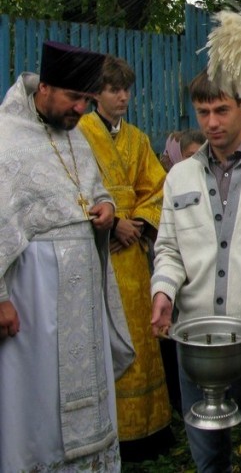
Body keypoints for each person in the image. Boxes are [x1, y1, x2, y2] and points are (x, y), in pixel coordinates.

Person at [0, 41, 134, 472]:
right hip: (32, 297)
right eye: (74, 99)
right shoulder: (5, 139)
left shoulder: (74, 135)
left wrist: (108, 209)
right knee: (36, 393)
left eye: (86, 100)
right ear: (46, 88)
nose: (81, 109)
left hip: (82, 297)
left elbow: (93, 190)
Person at [150, 69, 241, 473]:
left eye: (221, 110)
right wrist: (164, 292)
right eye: (202, 111)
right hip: (198, 342)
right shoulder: (180, 176)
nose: (211, 122)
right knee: (208, 460)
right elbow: (169, 248)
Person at [78, 55, 174, 461]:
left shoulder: (136, 138)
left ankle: (147, 430)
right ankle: (106, 429)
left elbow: (157, 186)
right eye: (113, 89)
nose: (122, 96)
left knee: (140, 333)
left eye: (126, 89)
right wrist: (112, 220)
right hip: (95, 252)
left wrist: (135, 221)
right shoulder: (78, 134)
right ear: (96, 94)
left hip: (132, 252)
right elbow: (72, 186)